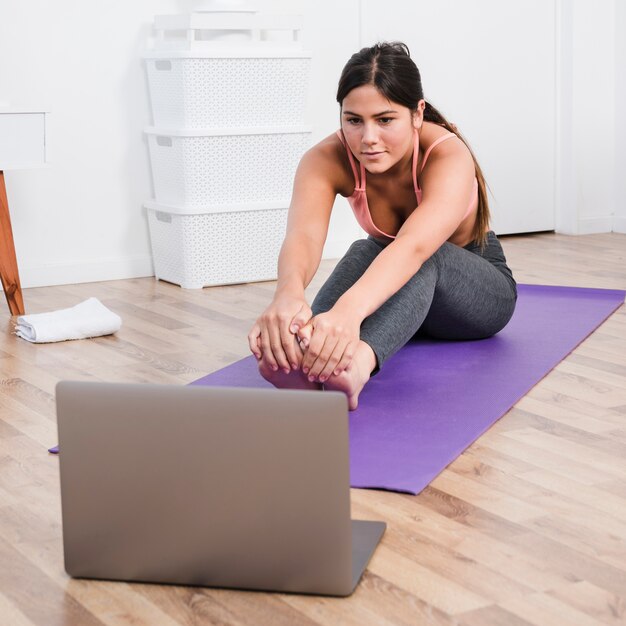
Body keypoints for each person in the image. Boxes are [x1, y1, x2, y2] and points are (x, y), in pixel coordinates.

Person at [247, 41, 517, 410]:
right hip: (405, 299)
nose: (367, 138)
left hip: (477, 296)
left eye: (385, 120)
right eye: (353, 120)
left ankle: (353, 364)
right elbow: (304, 236)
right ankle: (304, 352)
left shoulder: (447, 154)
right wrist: (288, 296)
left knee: (424, 256)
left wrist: (348, 314)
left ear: (417, 113)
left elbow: (414, 248)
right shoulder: (326, 158)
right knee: (365, 249)